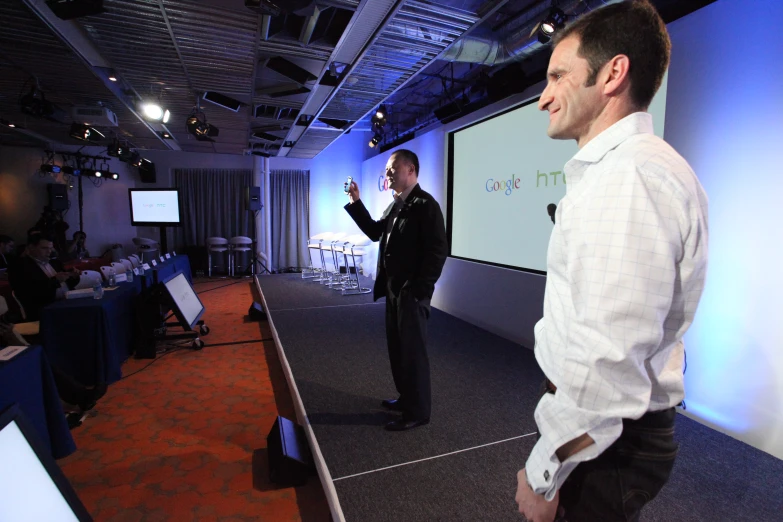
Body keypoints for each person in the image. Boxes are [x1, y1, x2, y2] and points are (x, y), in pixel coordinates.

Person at [514, 2, 709, 521]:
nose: (543, 97)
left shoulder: (628, 179)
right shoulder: (629, 172)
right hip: (603, 435)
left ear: (612, 74)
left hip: (604, 444)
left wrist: (544, 472)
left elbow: (608, 355)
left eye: (558, 76)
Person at [344, 149, 448, 431]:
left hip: (411, 293)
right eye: (387, 170)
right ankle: (406, 398)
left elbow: (438, 251)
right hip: (393, 291)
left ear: (411, 170)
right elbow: (375, 232)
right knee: (399, 349)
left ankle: (418, 412)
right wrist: (356, 201)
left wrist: (419, 289)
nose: (387, 174)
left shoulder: (426, 205)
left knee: (413, 353)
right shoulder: (396, 204)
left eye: (392, 169)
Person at [9, 233, 80, 321]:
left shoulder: (55, 263)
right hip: (45, 308)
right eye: (44, 248)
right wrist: (56, 280)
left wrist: (73, 276)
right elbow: (31, 293)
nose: (49, 251)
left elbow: (69, 285)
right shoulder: (20, 266)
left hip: (66, 302)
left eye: (50, 248)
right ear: (31, 247)